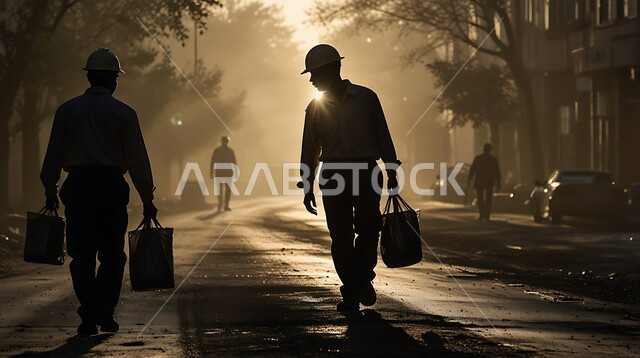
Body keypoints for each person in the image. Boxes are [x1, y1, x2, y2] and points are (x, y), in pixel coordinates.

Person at [40, 48, 158, 335]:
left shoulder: (67, 110)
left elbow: (54, 153)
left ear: (89, 77)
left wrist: (50, 187)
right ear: (114, 80)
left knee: (81, 256)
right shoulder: (125, 114)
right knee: (112, 255)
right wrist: (147, 198)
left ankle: (89, 313)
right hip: (110, 190)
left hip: (78, 188)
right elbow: (137, 160)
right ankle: (103, 311)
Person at [299, 44, 399, 312]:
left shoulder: (367, 99)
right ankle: (353, 290)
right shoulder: (315, 108)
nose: (311, 80)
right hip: (333, 174)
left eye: (314, 74)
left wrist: (391, 169)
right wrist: (307, 185)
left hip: (366, 171)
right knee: (340, 236)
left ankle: (361, 277)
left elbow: (382, 135)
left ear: (331, 71)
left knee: (369, 227)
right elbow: (310, 150)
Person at [468, 143, 501, 221]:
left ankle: (481, 213)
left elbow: (472, 170)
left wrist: (470, 179)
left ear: (483, 149)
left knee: (480, 198)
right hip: (489, 181)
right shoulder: (493, 159)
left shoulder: (478, 158)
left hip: (480, 181)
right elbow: (497, 173)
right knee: (488, 198)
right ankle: (487, 215)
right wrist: (498, 183)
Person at [210, 136, 236, 211]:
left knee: (219, 189)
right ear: (227, 142)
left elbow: (212, 161)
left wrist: (211, 171)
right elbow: (234, 162)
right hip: (227, 172)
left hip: (219, 172)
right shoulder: (230, 151)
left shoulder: (217, 150)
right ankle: (226, 205)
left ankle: (221, 203)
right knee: (227, 189)